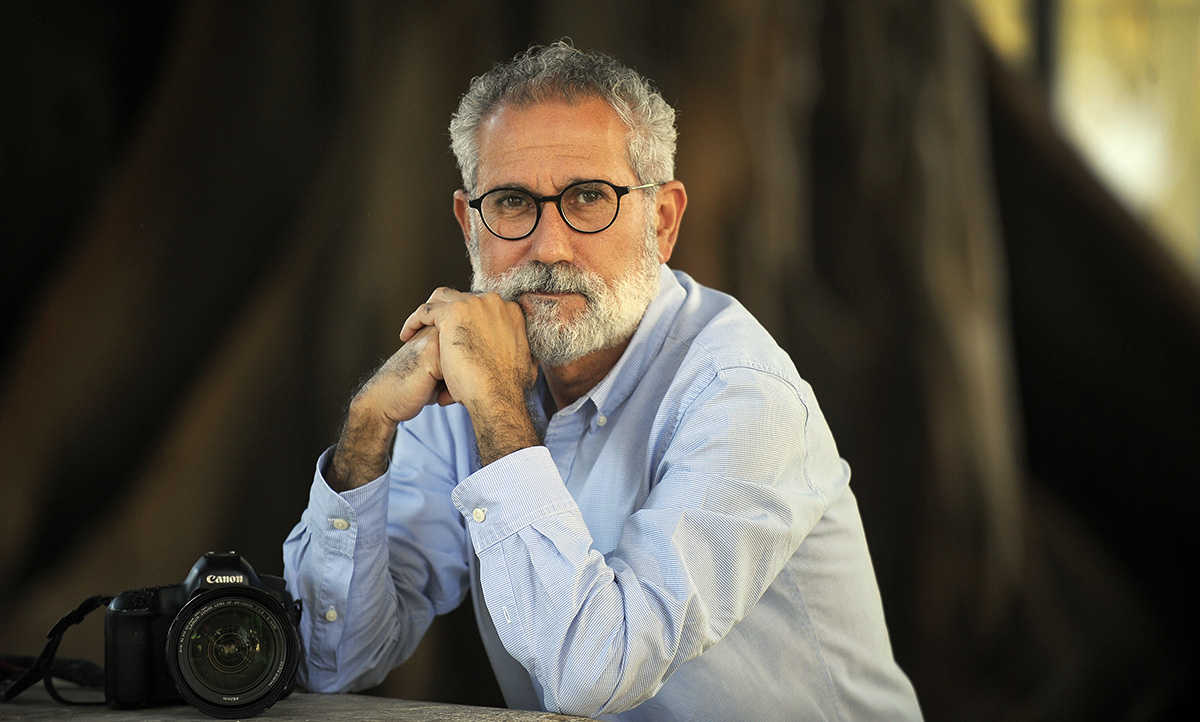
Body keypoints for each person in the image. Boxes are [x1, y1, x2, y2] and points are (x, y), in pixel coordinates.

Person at [283, 41, 921, 720]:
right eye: (511, 202)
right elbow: (334, 661)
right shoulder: (468, 377)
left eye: (589, 198)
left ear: (664, 220)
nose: (549, 246)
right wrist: (366, 432)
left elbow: (593, 675)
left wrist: (499, 407)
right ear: (471, 226)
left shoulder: (743, 395)